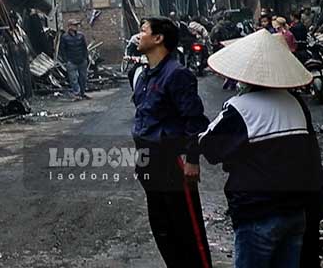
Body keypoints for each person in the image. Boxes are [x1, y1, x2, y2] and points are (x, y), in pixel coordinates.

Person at [197, 29, 322, 267]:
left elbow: (211, 149)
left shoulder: (240, 107)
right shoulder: (295, 103)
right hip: (295, 213)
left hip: (258, 213)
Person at [132, 17, 213, 267]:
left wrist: (192, 159)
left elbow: (194, 119)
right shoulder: (144, 74)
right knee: (162, 227)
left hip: (173, 162)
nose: (138, 36)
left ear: (158, 39)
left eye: (143, 31)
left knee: (187, 230)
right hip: (149, 161)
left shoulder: (177, 74)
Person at [59, 19, 90, 100]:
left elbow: (84, 47)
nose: (76, 27)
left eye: (76, 25)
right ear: (69, 26)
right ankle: (77, 93)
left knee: (83, 78)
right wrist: (66, 60)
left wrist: (85, 58)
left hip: (81, 60)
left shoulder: (81, 36)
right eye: (74, 25)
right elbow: (62, 50)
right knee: (73, 79)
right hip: (71, 61)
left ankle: (82, 93)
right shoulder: (64, 37)